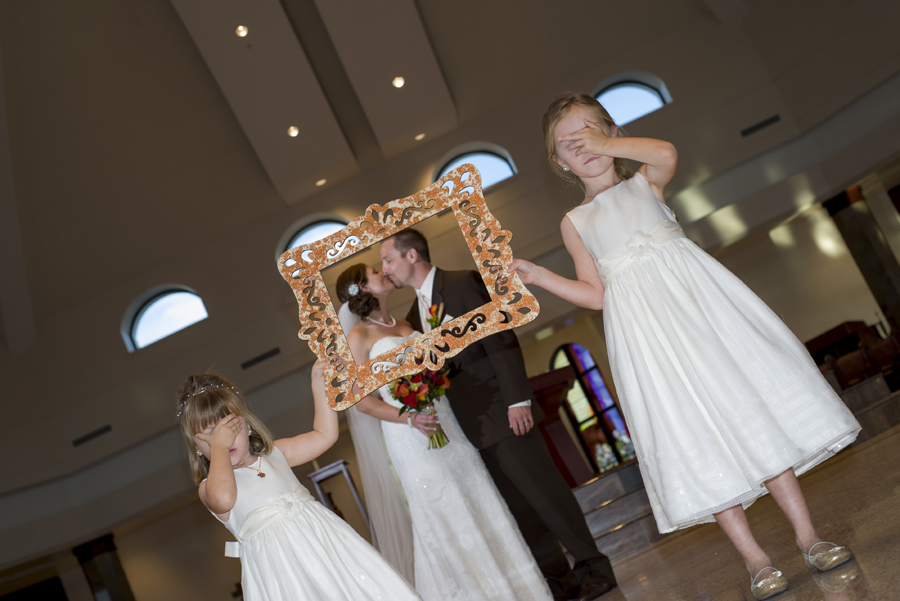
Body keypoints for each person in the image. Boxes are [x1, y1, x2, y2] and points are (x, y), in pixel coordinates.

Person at [508, 92, 861, 600]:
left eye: (591, 131)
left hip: (703, 317)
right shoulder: (575, 223)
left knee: (749, 411)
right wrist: (539, 275)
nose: (582, 144)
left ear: (609, 131)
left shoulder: (644, 182)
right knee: (691, 430)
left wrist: (607, 140)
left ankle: (809, 537)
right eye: (569, 142)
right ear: (559, 162)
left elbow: (667, 152)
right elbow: (597, 294)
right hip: (648, 338)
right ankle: (755, 559)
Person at [380, 232, 617, 601]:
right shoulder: (413, 316)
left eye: (388, 260)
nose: (385, 269)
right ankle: (560, 583)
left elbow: (500, 337)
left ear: (411, 255)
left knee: (547, 496)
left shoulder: (461, 282)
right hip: (470, 428)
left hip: (504, 412)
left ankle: (595, 568)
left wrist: (517, 400)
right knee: (521, 511)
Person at [336, 263, 553, 601]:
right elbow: (362, 403)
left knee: (478, 497)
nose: (384, 271)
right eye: (376, 271)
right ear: (362, 288)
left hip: (446, 421)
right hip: (410, 434)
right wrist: (408, 417)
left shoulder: (408, 324)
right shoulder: (358, 337)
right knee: (446, 509)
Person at [176, 362, 421, 601]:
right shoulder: (210, 487)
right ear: (197, 449)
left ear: (247, 425)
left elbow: (325, 435)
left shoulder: (275, 455)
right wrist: (219, 446)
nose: (224, 439)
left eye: (229, 427)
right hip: (283, 574)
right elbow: (224, 499)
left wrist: (318, 384)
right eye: (209, 436)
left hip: (328, 550)